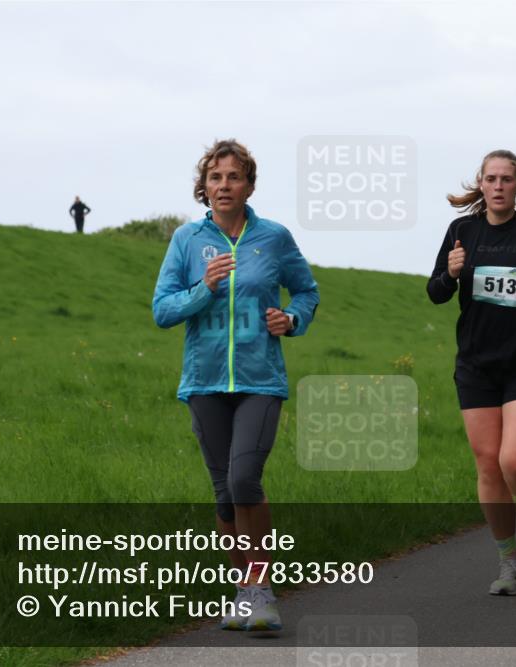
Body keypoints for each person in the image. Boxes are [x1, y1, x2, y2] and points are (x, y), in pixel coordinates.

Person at [152, 139, 319, 631]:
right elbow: (162, 310)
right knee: (225, 493)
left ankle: (264, 591)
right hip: (204, 381)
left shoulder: (274, 237)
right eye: (215, 177)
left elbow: (306, 291)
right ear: (204, 187)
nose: (224, 185)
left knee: (246, 479)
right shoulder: (186, 240)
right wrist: (203, 288)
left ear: (249, 184)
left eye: (234, 177)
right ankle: (243, 592)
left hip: (260, 378)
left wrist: (291, 320)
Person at [427, 149, 516, 596]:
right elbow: (435, 291)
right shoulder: (461, 231)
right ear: (482, 183)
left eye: (506, 179)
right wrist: (450, 275)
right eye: (490, 179)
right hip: (476, 364)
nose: (497, 186)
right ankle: (509, 564)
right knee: (489, 465)